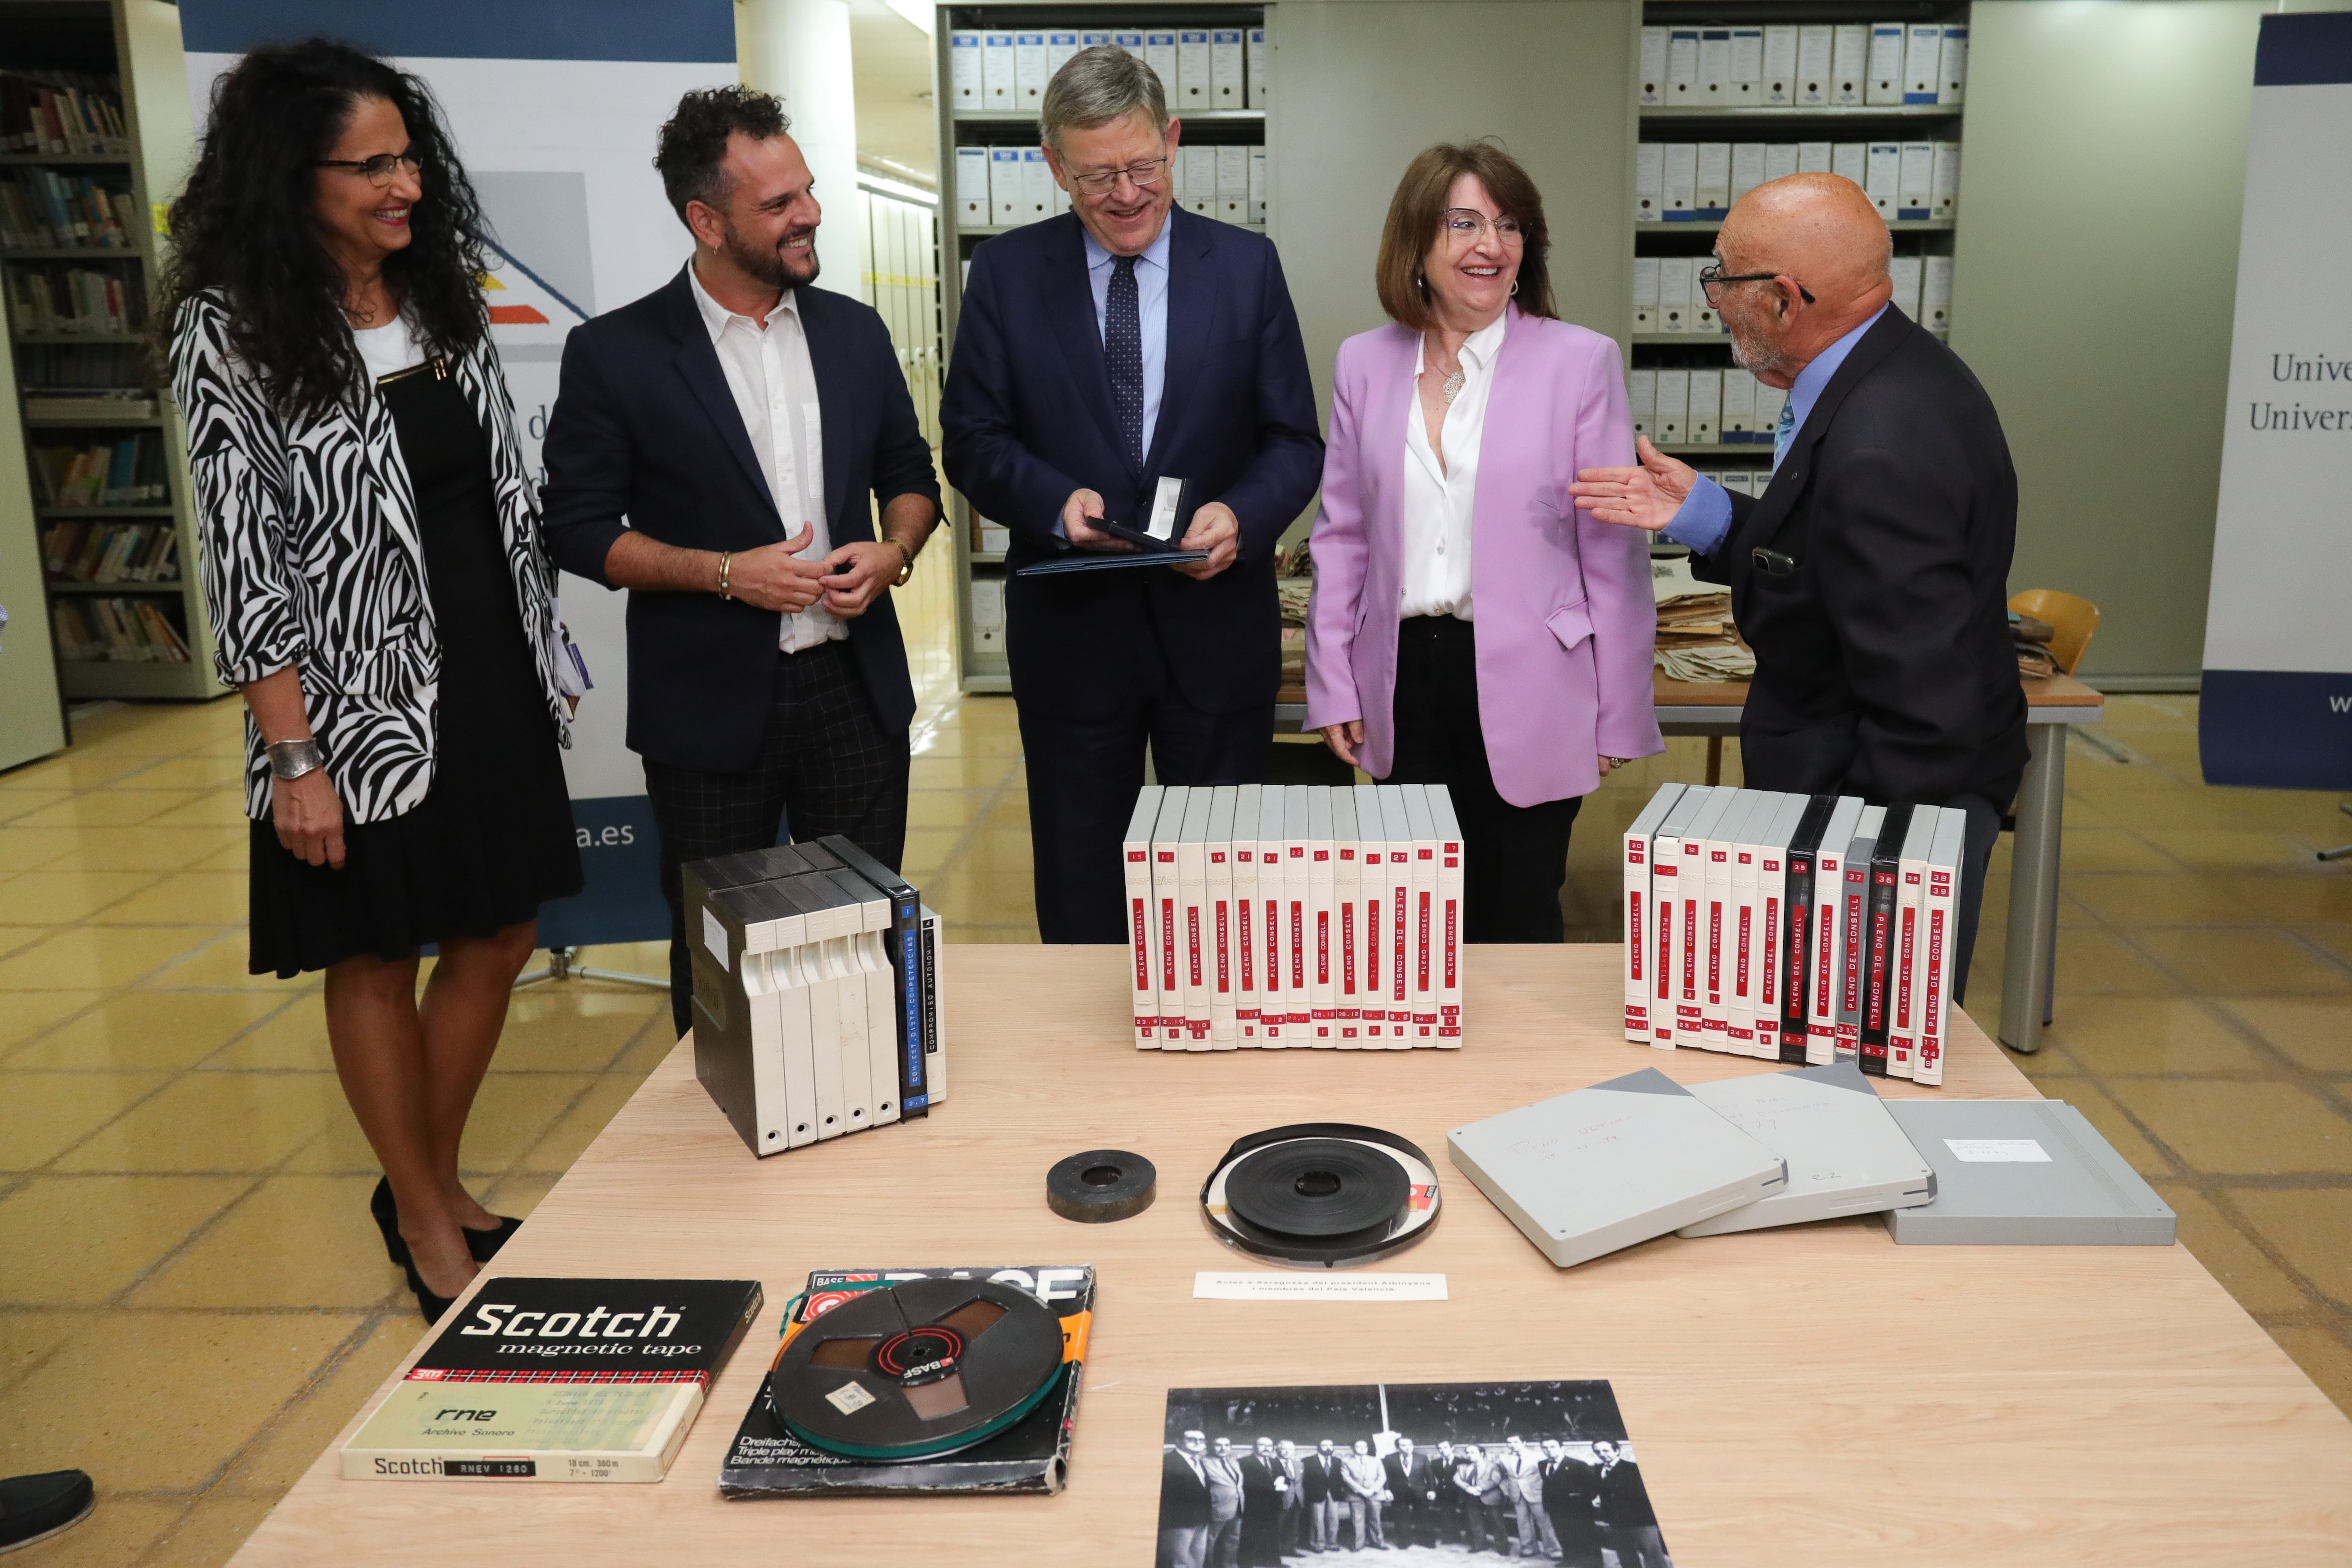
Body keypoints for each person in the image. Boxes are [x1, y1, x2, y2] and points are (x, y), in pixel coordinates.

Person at [162, 39, 581, 1322]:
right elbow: (245, 558)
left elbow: (495, 474)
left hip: (487, 662)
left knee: (501, 929)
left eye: (410, 156)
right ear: (295, 175)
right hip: (347, 701)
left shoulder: (440, 290)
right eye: (373, 165)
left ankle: (427, 1178)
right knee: (372, 947)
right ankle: (425, 1208)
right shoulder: (227, 326)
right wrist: (294, 756)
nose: (405, 183)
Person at [542, 86, 941, 1035]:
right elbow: (578, 529)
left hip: (856, 688)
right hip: (711, 704)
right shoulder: (617, 354)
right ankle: (721, 1150)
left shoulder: (853, 330)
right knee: (719, 951)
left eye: (805, 191)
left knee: (860, 930)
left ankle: (861, 1106)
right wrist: (727, 573)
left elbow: (910, 474)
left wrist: (894, 548)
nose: (808, 214)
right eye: (778, 204)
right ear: (706, 220)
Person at [1568, 171, 2024, 997]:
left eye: (1721, 276)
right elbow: (1840, 570)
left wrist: (1857, 877)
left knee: (1856, 1064)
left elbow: (1922, 701)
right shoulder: (1892, 371)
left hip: (1880, 815)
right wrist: (1710, 515)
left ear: (1783, 298)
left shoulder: (1881, 439)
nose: (1711, 298)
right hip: (1877, 792)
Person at [940, 44, 1323, 942]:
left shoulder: (1246, 267)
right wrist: (1050, 502)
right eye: (1097, 174)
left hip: (1214, 626)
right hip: (1075, 639)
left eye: (1143, 166)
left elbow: (1293, 441)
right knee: (1082, 895)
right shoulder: (1005, 274)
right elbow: (972, 440)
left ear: (1175, 143)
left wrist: (1244, 513)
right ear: (1053, 166)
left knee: (1222, 891)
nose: (1125, 194)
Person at [1304, 142, 1660, 942]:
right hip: (1399, 676)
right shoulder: (1364, 362)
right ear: (1416, 245)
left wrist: (1619, 712)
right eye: (1463, 223)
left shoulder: (1581, 362)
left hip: (1538, 679)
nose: (1490, 245)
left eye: (1508, 226)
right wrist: (1332, 679)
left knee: (1516, 915)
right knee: (1410, 922)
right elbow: (1343, 537)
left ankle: (1526, 1075)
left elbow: (1613, 551)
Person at [1589, 1441, 1669, 1568]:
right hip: (1616, 1521)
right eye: (1598, 1452)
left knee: (1652, 1556)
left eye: (1606, 1451)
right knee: (1626, 1556)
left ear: (1617, 1451)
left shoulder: (1633, 1469)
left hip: (1641, 1521)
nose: (1602, 1455)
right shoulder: (1598, 1470)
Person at [1541, 1440, 1603, 1568]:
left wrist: (1578, 1498)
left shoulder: (1577, 1465)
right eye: (1545, 1447)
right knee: (1563, 1535)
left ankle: (1595, 1565)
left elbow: (1594, 1486)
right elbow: (1547, 1485)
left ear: (1561, 1447)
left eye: (1553, 1447)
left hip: (1578, 1509)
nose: (1549, 1450)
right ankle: (1570, 1561)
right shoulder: (1542, 1465)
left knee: (1586, 1537)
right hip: (1555, 1509)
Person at [1161, 1431, 1215, 1568]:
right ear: (1179, 1441)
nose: (1198, 1443)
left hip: (1201, 1521)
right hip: (1179, 1523)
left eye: (1202, 1440)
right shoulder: (1168, 1461)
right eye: (1192, 1439)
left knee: (1197, 1561)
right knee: (1178, 1562)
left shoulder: (1198, 1461)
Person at [1503, 1435, 1562, 1559]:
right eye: (1509, 1442)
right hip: (1517, 1493)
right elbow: (1505, 1476)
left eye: (1516, 1442)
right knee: (1523, 1522)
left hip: (1536, 1492)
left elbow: (1546, 1474)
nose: (1512, 1445)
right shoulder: (1504, 1457)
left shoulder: (1538, 1456)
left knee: (1544, 1522)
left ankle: (1553, 1550)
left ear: (1524, 1443)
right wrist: (1507, 1491)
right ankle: (1529, 1549)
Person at [1239, 1437, 1290, 1567]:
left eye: (1270, 1445)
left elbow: (1285, 1478)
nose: (1267, 1448)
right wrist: (1275, 1488)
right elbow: (1249, 1485)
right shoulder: (1244, 1462)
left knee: (1273, 1536)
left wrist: (1283, 1482)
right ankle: (1246, 1564)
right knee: (1250, 1536)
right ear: (1255, 1446)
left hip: (1274, 1506)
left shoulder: (1275, 1462)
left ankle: (1273, 1563)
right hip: (1254, 1506)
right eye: (1262, 1445)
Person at [1454, 1443, 1511, 1555]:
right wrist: (1468, 1488)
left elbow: (1496, 1480)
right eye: (1468, 1453)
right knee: (1475, 1522)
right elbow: (1457, 1479)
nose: (1469, 1455)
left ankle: (1503, 1546)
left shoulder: (1493, 1466)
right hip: (1471, 1497)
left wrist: (1479, 1488)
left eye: (1473, 1452)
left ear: (1482, 1453)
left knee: (1497, 1523)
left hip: (1490, 1497)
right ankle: (1480, 1545)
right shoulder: (1463, 1467)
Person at [1383, 1436, 1437, 1549]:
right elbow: (1385, 1476)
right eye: (1404, 1445)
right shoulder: (1389, 1459)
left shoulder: (1422, 1458)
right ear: (1398, 1447)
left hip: (1420, 1492)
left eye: (1410, 1445)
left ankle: (1426, 1541)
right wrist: (1387, 1490)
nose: (1408, 1448)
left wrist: (1432, 1490)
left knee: (1423, 1515)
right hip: (1399, 1492)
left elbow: (1430, 1477)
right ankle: (1404, 1541)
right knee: (1401, 1517)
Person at [1206, 1436, 1247, 1568]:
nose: (1223, 1449)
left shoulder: (1234, 1462)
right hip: (1218, 1507)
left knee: (1233, 1539)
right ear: (1212, 1446)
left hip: (1237, 1506)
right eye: (1219, 1445)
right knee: (1210, 1541)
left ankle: (1228, 1565)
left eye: (1227, 1445)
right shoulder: (1205, 1462)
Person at [1340, 1440, 1388, 1550]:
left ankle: (1378, 1543)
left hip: (1375, 1494)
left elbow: (1382, 1477)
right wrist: (1362, 1491)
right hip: (1356, 1495)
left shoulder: (1376, 1461)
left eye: (1364, 1446)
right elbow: (1347, 1479)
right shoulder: (1346, 1462)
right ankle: (1358, 1545)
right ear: (1353, 1448)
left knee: (1375, 1519)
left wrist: (1372, 1490)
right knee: (1357, 1520)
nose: (1362, 1448)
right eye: (1358, 1446)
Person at [1304, 1440, 1348, 1552]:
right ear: (1318, 1447)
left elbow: (1341, 1478)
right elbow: (1305, 1480)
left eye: (1331, 1445)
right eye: (1324, 1445)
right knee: (1317, 1520)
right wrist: (1311, 1493)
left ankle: (1332, 1543)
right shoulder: (1308, 1461)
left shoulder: (1337, 1461)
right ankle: (1318, 1544)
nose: (1328, 1448)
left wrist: (1341, 1492)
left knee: (1334, 1519)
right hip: (1316, 1494)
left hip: (1333, 1493)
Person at [1275, 1440, 1308, 1559]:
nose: (1287, 1452)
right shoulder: (1273, 1463)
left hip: (1297, 1499)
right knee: (1278, 1527)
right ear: (1278, 1450)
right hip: (1280, 1500)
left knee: (1294, 1527)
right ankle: (1275, 1553)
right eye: (1284, 1449)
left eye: (1290, 1449)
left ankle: (1290, 1550)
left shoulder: (1299, 1464)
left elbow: (1300, 1482)